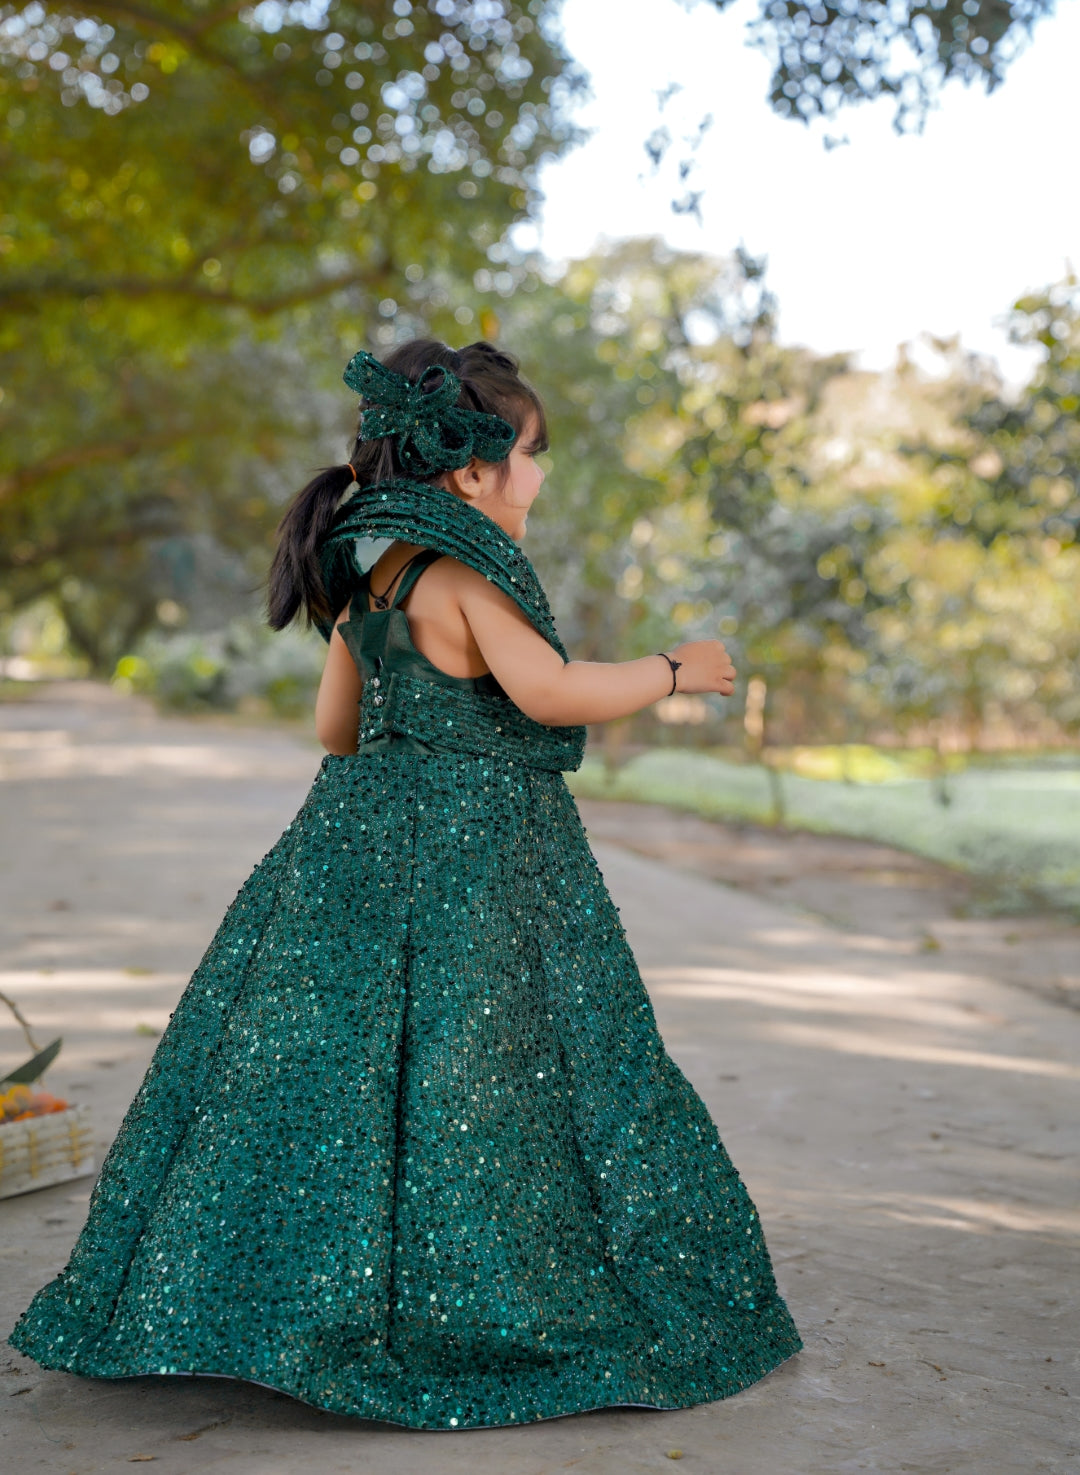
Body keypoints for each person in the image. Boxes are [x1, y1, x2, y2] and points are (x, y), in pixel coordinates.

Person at [8, 337, 802, 1428]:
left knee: (332, 1070)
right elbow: (552, 689)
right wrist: (675, 669)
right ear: (471, 472)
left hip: (349, 852)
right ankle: (477, 1294)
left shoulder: (371, 577)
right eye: (531, 454)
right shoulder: (467, 575)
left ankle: (269, 1298)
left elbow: (337, 731)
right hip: (476, 863)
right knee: (488, 1070)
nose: (540, 475)